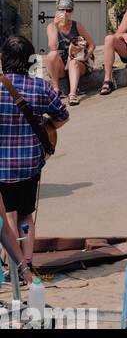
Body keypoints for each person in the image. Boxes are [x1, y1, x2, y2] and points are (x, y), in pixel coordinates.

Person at [0, 35, 69, 288]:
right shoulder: (40, 87)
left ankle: (12, 267)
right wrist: (44, 126)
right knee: (26, 215)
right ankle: (27, 262)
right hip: (30, 163)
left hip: (1, 167)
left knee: (8, 215)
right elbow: (62, 117)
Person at [45, 0, 95, 106]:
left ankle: (72, 94)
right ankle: (56, 88)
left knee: (73, 62)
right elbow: (53, 47)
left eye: (68, 10)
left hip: (77, 63)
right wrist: (56, 26)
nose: (65, 13)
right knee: (51, 55)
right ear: (57, 10)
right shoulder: (51, 26)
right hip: (61, 66)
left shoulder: (76, 25)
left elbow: (92, 44)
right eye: (61, 9)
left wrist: (86, 57)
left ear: (72, 11)